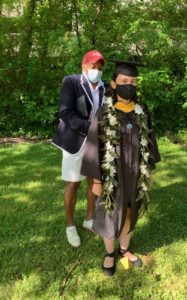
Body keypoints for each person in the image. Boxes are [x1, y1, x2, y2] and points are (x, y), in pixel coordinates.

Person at [81, 59, 161, 276]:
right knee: (109, 212)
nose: (130, 85)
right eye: (125, 80)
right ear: (114, 84)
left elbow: (149, 139)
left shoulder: (141, 111)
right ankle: (109, 253)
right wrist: (97, 181)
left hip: (135, 173)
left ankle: (124, 249)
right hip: (111, 176)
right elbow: (93, 146)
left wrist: (148, 171)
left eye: (133, 81)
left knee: (129, 211)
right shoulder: (104, 113)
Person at [52, 50, 106, 248]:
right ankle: (70, 226)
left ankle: (89, 219)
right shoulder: (72, 81)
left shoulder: (104, 87)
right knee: (73, 184)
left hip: (95, 143)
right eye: (93, 66)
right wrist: (90, 127)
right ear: (84, 66)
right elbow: (66, 112)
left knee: (94, 181)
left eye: (100, 68)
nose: (97, 71)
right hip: (74, 141)